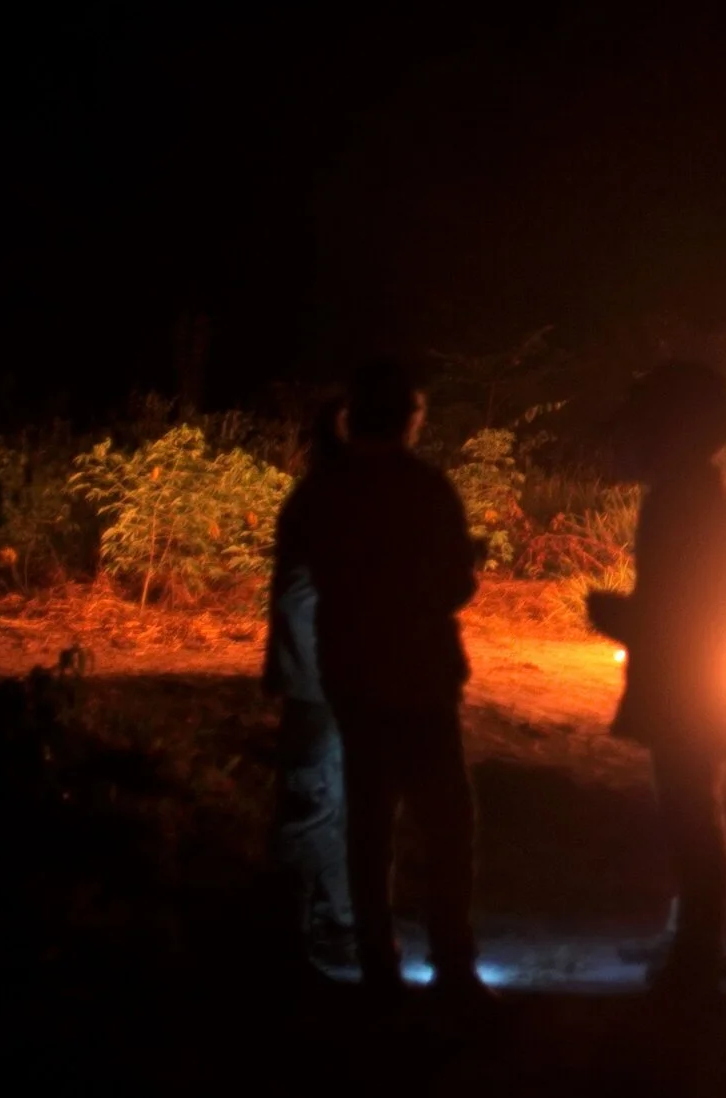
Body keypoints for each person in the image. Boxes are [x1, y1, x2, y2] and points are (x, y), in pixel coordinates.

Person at [588, 362, 726, 996]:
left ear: (670, 432)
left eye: (642, 424)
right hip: (697, 682)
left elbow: (682, 614)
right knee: (690, 807)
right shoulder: (689, 503)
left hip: (687, 687)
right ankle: (688, 934)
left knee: (690, 812)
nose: (628, 437)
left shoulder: (681, 509)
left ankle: (697, 949)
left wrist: (625, 620)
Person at [276, 357, 486, 1000]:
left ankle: (377, 964)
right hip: (420, 676)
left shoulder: (319, 493)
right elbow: (452, 586)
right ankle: (452, 964)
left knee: (367, 823)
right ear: (410, 419)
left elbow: (300, 580)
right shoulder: (424, 488)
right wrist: (463, 568)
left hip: (351, 676)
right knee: (446, 822)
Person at [263, 400, 356, 977]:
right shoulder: (334, 500)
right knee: (312, 806)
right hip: (322, 677)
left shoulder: (326, 496)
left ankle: (331, 923)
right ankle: (296, 935)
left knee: (327, 802)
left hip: (320, 676)